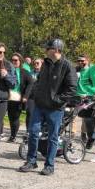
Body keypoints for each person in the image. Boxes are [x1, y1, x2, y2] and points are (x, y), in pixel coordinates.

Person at [19, 39, 77, 176]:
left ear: (56, 50)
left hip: (55, 108)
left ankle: (49, 165)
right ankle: (31, 161)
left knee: (52, 137)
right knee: (33, 132)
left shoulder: (68, 66)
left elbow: (72, 88)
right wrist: (36, 95)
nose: (45, 50)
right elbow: (39, 81)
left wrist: (57, 101)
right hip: (39, 105)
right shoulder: (46, 63)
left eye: (48, 48)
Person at [76, 50, 95, 150]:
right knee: (89, 122)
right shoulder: (93, 68)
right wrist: (92, 90)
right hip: (92, 98)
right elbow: (84, 82)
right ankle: (92, 137)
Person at [6, 53, 35, 142]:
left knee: (22, 115)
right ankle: (13, 134)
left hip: (21, 97)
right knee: (12, 116)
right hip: (10, 96)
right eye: (12, 60)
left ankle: (20, 134)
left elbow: (31, 83)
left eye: (16, 60)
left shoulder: (25, 72)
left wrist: (26, 96)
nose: (14, 62)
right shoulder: (8, 71)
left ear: (20, 61)